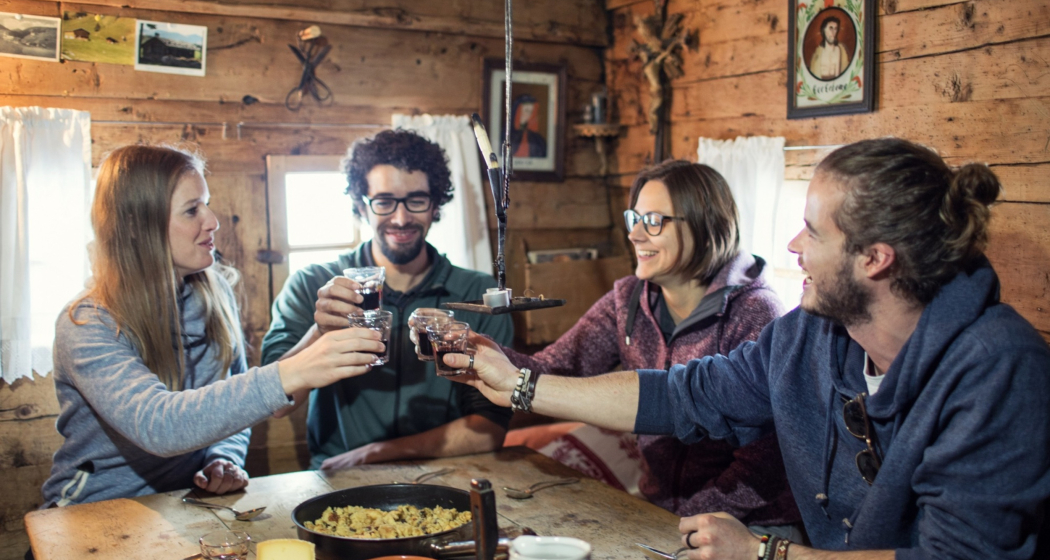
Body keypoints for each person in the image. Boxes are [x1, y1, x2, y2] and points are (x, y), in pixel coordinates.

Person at [445, 138, 1050, 559]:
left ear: (875, 258)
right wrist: (517, 382)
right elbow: (689, 393)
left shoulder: (999, 367)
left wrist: (765, 552)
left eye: (812, 231)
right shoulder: (811, 335)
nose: (793, 244)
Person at [42, 145, 382, 507]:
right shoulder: (87, 323)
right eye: (192, 210)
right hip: (94, 512)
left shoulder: (212, 294)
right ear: (136, 226)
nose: (213, 220)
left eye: (206, 203)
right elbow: (159, 426)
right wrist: (298, 369)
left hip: (183, 504)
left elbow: (230, 400)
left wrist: (223, 458)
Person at [500, 161, 800, 535]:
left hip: (753, 525)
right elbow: (557, 368)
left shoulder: (756, 312)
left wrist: (680, 521)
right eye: (634, 219)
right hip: (662, 514)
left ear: (705, 224)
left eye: (654, 221)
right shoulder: (627, 299)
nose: (635, 235)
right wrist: (480, 354)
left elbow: (767, 460)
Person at [261, 129, 513, 471]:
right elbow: (276, 405)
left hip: (444, 477)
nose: (400, 218)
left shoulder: (478, 296)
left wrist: (376, 453)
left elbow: (489, 430)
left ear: (436, 204)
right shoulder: (312, 284)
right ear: (360, 205)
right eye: (384, 201)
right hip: (338, 480)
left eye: (417, 200)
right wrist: (319, 332)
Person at [510, 93, 547, 158]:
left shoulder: (537, 139)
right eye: (526, 110)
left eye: (531, 112)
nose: (528, 115)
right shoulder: (505, 135)